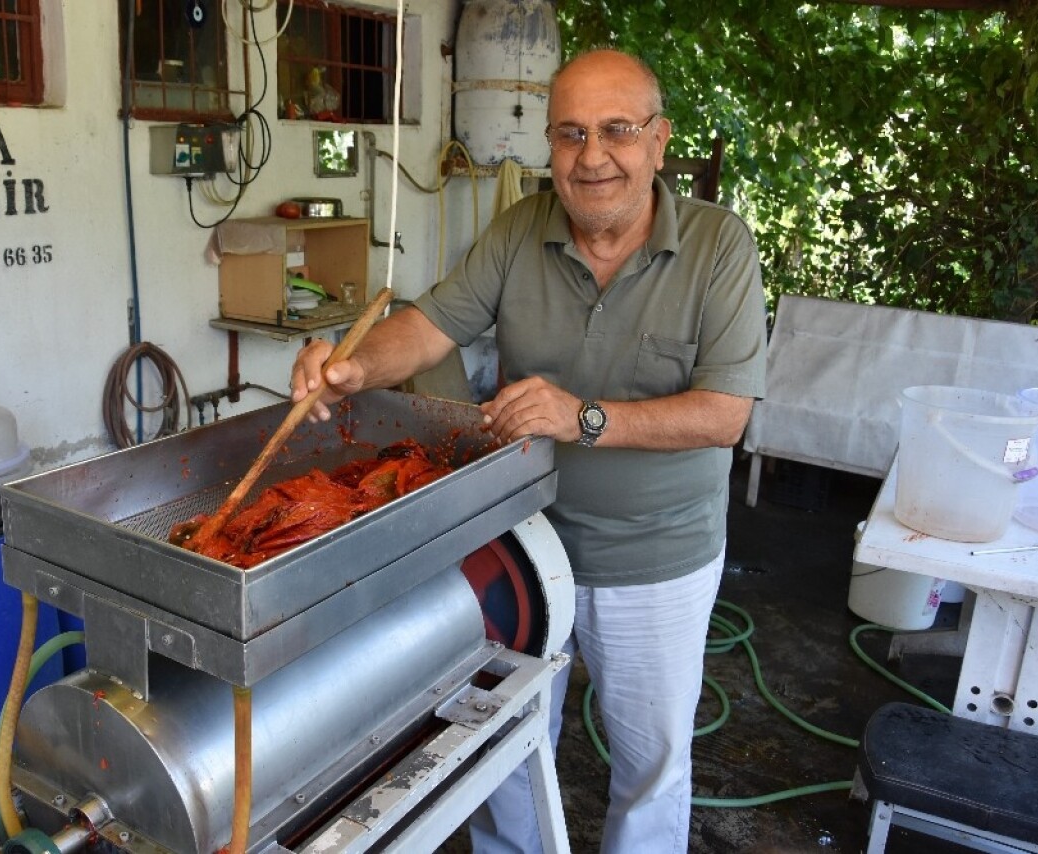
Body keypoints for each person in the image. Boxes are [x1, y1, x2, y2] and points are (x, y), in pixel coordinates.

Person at [289, 49, 767, 854]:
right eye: (571, 133)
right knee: (501, 740)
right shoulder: (520, 229)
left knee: (650, 763)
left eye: (617, 130)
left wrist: (580, 417)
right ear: (549, 145)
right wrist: (351, 366)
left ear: (659, 140)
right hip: (524, 539)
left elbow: (724, 416)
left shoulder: (721, 248)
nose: (593, 156)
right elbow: (431, 325)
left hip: (658, 557)